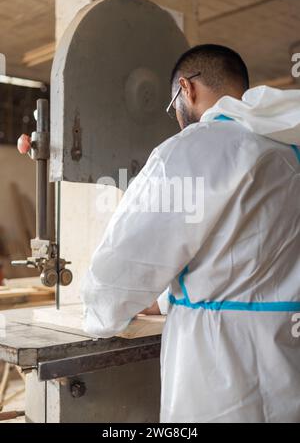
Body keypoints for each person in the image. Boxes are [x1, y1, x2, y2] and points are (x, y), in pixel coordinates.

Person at [22, 44, 300, 422]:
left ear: (186, 89)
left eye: (172, 108)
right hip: (285, 367)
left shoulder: (190, 150)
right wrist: (166, 302)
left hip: (221, 377)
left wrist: (100, 313)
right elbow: (253, 265)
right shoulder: (287, 152)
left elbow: (124, 265)